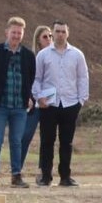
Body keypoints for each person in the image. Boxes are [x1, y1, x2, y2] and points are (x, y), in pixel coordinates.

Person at [0, 16, 37, 189]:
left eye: (19, 33)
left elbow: (31, 77)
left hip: (19, 106)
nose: (16, 36)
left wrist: (28, 96)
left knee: (16, 141)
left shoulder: (28, 55)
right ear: (7, 32)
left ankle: (16, 176)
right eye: (14, 32)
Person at [33, 20, 88, 187]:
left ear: (68, 33)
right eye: (57, 31)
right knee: (47, 141)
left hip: (70, 103)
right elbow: (37, 78)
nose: (60, 35)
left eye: (63, 31)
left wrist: (81, 100)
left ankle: (65, 176)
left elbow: (83, 77)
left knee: (66, 142)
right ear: (53, 33)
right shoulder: (43, 55)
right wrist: (38, 97)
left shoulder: (77, 55)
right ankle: (45, 176)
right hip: (48, 104)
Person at [20, 25, 51, 168]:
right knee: (25, 135)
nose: (49, 39)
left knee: (47, 138)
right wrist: (29, 97)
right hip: (33, 102)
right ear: (38, 40)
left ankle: (43, 170)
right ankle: (17, 168)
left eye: (50, 36)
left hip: (49, 101)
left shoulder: (55, 57)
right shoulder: (31, 57)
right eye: (45, 37)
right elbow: (27, 79)